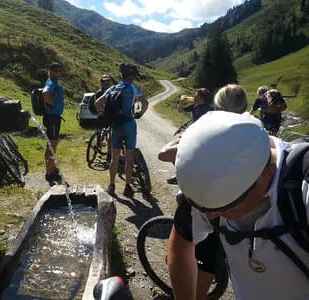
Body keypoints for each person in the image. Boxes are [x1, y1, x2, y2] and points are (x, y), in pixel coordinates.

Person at [168, 111, 309, 300]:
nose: (210, 218)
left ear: (266, 174)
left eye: (228, 209)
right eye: (203, 209)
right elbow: (182, 242)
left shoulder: (302, 191)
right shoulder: (209, 184)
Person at [158, 84, 249, 298]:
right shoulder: (256, 130)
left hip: (209, 204)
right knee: (212, 255)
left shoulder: (205, 129)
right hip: (245, 206)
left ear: (216, 107)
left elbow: (164, 155)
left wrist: (180, 138)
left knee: (188, 243)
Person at [95, 63, 148, 197]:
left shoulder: (112, 88)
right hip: (129, 125)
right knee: (129, 158)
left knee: (114, 157)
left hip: (116, 126)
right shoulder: (133, 88)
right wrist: (139, 114)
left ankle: (112, 186)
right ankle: (127, 187)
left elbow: (97, 104)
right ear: (131, 76)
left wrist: (107, 114)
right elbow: (145, 103)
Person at [42, 62, 64, 184]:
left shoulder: (53, 83)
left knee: (51, 143)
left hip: (52, 117)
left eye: (59, 70)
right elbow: (45, 93)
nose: (58, 73)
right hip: (53, 117)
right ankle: (50, 173)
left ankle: (51, 167)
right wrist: (52, 105)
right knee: (53, 144)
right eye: (55, 70)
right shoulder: (51, 83)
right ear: (50, 71)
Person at [94, 75, 115, 162]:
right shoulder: (99, 92)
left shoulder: (113, 91)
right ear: (102, 83)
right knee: (102, 133)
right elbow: (98, 104)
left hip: (108, 115)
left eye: (108, 81)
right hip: (103, 115)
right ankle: (98, 144)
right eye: (105, 81)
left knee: (106, 133)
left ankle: (106, 152)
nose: (107, 83)